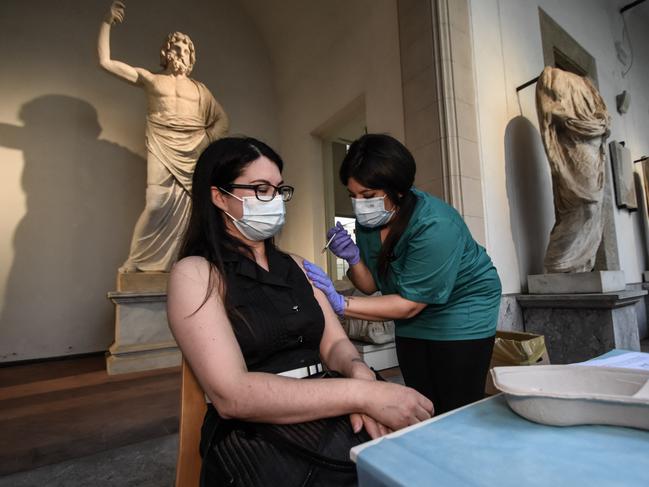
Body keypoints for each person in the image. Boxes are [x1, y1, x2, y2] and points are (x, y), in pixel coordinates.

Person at [166, 136, 433, 485]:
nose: (274, 200)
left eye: (278, 190)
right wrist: (362, 394)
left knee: (417, 456)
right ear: (219, 196)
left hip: (333, 394)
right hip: (258, 427)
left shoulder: (297, 265)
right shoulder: (196, 273)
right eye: (261, 188)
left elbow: (335, 344)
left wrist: (358, 371)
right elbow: (232, 393)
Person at [304, 134, 502, 415]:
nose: (359, 205)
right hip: (409, 307)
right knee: (421, 399)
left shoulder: (435, 224)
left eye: (368, 196)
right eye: (353, 196)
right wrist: (353, 258)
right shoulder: (370, 220)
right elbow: (371, 285)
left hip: (462, 307)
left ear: (397, 189)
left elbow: (409, 305)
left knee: (457, 405)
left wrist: (340, 303)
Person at [98, 1, 229, 272]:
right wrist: (106, 23)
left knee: (195, 211)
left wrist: (206, 140)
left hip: (195, 149)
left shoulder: (200, 90)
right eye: (175, 47)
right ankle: (136, 261)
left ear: (191, 57)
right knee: (156, 203)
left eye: (186, 49)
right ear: (166, 52)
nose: (180, 51)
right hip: (163, 144)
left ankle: (183, 261)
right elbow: (105, 62)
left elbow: (222, 120)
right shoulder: (152, 79)